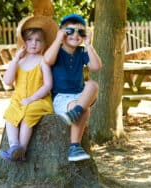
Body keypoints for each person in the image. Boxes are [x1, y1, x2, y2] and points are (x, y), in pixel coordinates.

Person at [0, 16, 58, 161]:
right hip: (19, 99)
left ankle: (22, 150)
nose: (34, 44)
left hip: (39, 99)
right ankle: (14, 146)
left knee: (28, 114)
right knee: (10, 115)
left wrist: (32, 98)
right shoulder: (19, 62)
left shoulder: (43, 61)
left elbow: (48, 85)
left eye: (38, 41)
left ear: (44, 44)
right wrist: (15, 60)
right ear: (23, 43)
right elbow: (7, 81)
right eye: (30, 40)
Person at [44, 14, 102, 162]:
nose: (75, 35)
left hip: (80, 95)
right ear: (62, 33)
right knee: (84, 110)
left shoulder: (82, 52)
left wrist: (89, 44)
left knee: (93, 85)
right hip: (62, 97)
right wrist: (57, 39)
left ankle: (74, 114)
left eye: (80, 32)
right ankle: (74, 146)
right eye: (70, 31)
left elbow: (96, 67)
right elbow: (47, 60)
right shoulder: (57, 51)